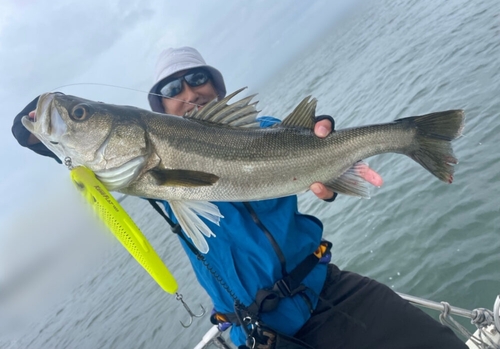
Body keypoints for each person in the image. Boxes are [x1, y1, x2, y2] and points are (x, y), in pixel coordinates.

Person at [12, 47, 467, 349]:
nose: (189, 93)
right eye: (173, 89)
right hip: (260, 335)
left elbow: (311, 139)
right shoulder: (122, 165)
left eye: (197, 79)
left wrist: (325, 146)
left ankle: (416, 135)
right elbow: (45, 139)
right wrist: (41, 122)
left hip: (328, 293)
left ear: (216, 86)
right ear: (158, 112)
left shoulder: (265, 130)